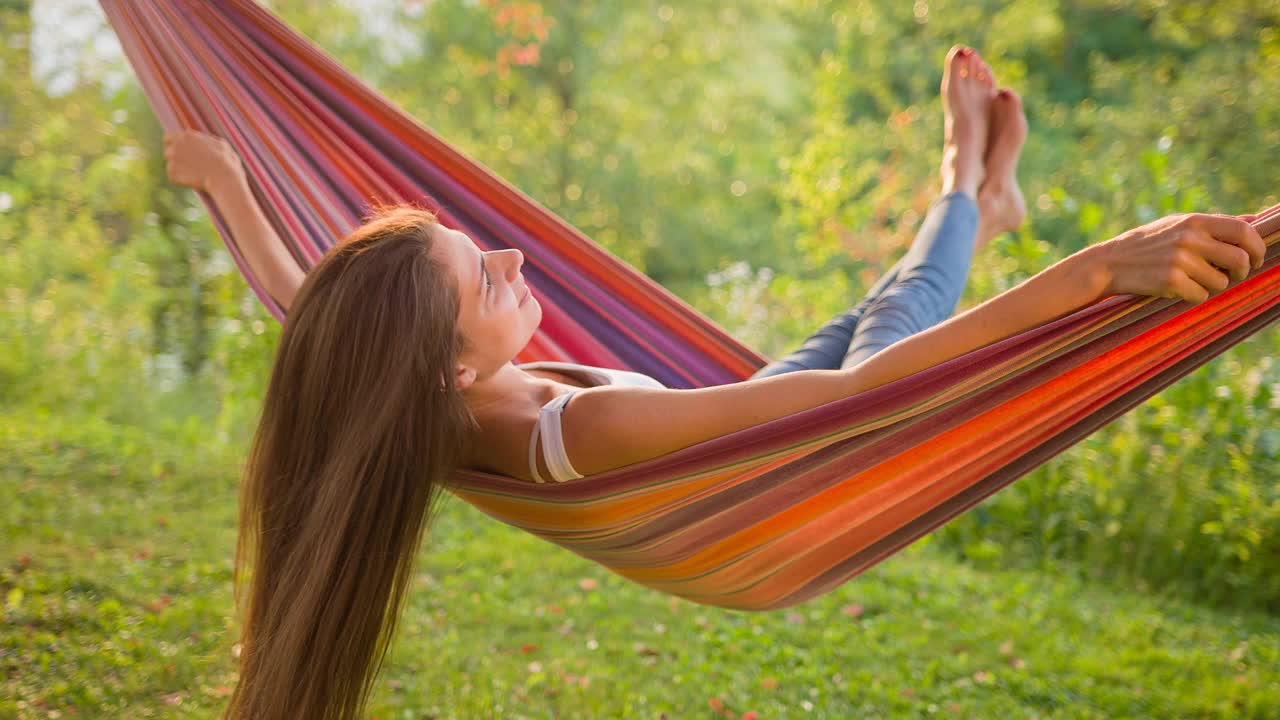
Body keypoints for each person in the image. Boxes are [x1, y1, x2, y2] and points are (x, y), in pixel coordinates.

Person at [163, 46, 1265, 720]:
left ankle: (977, 196)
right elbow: (852, 407)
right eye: (482, 281)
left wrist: (229, 183)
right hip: (779, 493)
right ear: (451, 360)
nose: (507, 258)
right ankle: (961, 186)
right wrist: (1099, 269)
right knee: (890, 338)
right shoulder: (583, 425)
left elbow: (298, 296)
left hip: (725, 422)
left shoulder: (395, 391)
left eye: (470, 245)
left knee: (884, 309)